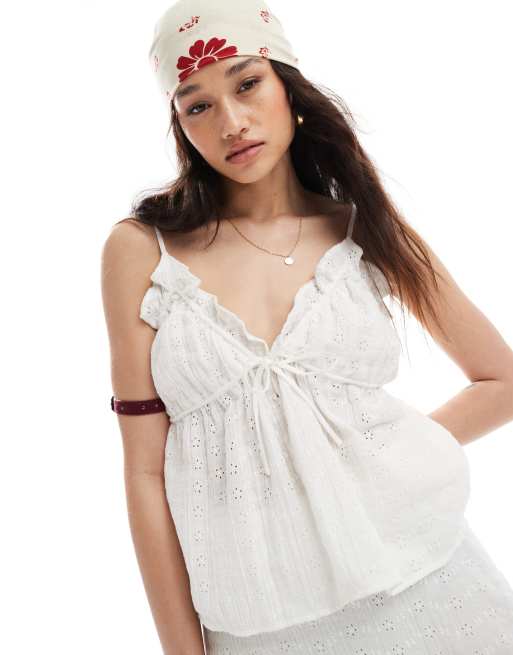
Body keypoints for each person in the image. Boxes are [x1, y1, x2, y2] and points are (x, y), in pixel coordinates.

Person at [101, 1, 513, 652]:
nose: (231, 122)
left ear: (288, 88)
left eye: (247, 83)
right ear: (180, 126)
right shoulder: (141, 251)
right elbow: (144, 475)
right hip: (258, 620)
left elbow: (501, 380)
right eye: (197, 105)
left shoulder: (361, 228)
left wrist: (371, 458)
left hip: (430, 582)